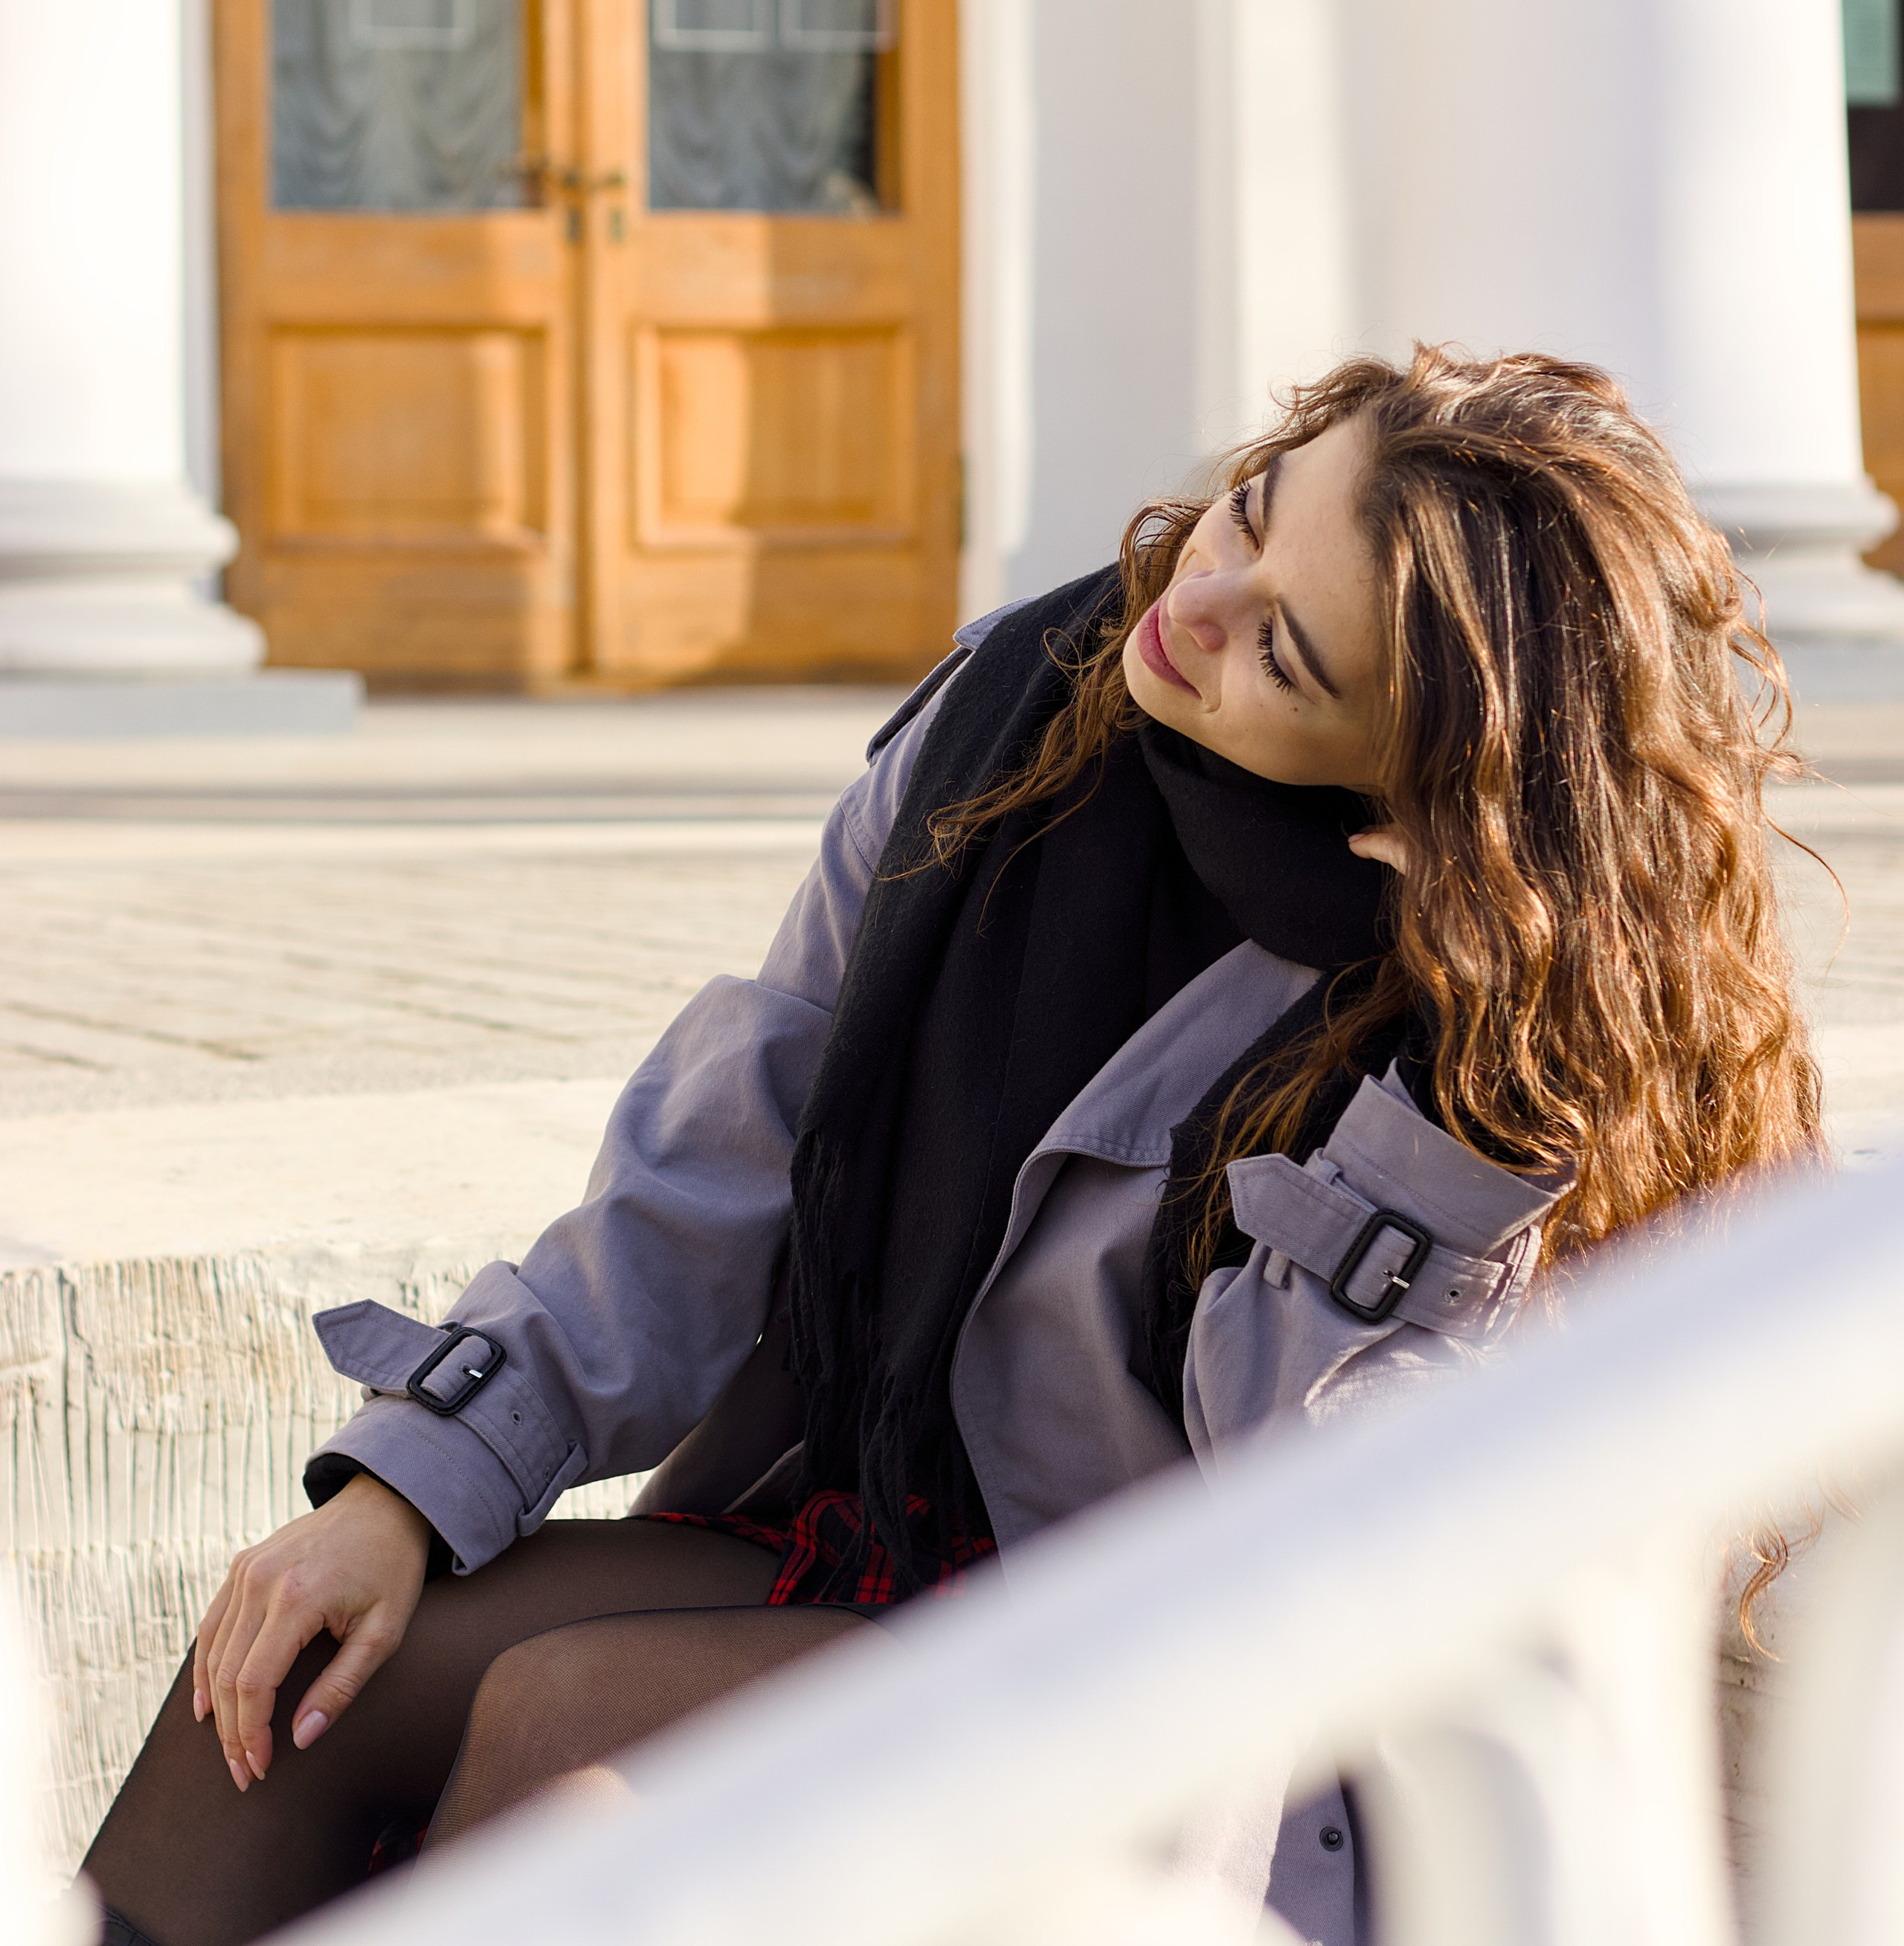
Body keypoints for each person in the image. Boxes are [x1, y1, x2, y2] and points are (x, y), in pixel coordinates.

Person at [85, 347, 1822, 1946]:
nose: (1194, 604)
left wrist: (1440, 1106)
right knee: (297, 1658)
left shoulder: (1495, 1042)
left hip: (1146, 1683)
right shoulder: (1016, 719)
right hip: (881, 1528)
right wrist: (408, 1482)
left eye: (1284, 648)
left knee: (566, 1746)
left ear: (1420, 784)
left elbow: (1317, 1533)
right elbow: (718, 1166)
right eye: (1249, 505)